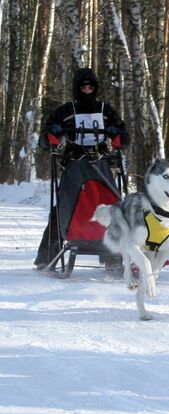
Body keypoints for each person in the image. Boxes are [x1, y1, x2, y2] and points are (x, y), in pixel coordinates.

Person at [34, 67, 130, 270]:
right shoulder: (66, 111)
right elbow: (45, 140)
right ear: (77, 88)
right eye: (83, 86)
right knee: (64, 208)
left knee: (112, 206)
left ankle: (113, 257)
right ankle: (47, 256)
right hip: (74, 164)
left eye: (91, 86)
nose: (87, 89)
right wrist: (52, 132)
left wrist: (116, 133)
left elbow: (124, 137)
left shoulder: (106, 110)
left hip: (101, 164)